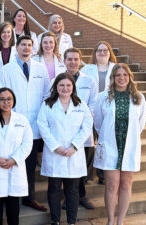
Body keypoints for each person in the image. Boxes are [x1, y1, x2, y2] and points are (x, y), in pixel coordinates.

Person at [0, 35, 50, 212]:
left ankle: (29, 197)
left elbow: (47, 95)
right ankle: (9, 198)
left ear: (33, 49)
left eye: (29, 45)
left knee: (30, 163)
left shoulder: (40, 69)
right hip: (12, 124)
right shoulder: (6, 69)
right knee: (11, 160)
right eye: (23, 45)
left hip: (34, 124)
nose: (26, 48)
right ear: (16, 47)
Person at [93, 63, 146, 225]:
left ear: (130, 77)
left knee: (126, 184)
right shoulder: (103, 96)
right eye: (118, 75)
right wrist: (108, 136)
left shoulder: (138, 97)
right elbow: (98, 122)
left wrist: (128, 135)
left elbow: (141, 122)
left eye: (125, 75)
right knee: (112, 185)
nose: (121, 78)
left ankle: (120, 221)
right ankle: (110, 220)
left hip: (129, 146)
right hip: (110, 145)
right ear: (113, 78)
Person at [37, 73, 93, 225]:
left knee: (72, 190)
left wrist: (75, 146)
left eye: (68, 85)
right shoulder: (47, 104)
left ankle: (71, 222)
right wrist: (55, 147)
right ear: (56, 86)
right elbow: (42, 125)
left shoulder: (80, 104)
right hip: (55, 153)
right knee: (54, 188)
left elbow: (87, 126)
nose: (65, 88)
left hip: (74, 153)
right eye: (61, 85)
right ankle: (55, 220)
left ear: (73, 87)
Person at [0, 88, 33, 225]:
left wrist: (14, 160)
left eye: (9, 99)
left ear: (13, 100)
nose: (6, 102)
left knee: (13, 207)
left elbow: (27, 144)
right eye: (2, 99)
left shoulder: (22, 120)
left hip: (14, 167)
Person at [62, 48, 98, 210]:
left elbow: (93, 105)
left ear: (80, 61)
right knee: (67, 167)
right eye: (69, 59)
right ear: (64, 61)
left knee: (83, 167)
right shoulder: (57, 80)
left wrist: (82, 120)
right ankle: (68, 198)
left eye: (76, 59)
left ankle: (81, 196)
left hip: (84, 131)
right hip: (65, 132)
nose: (73, 62)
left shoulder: (89, 81)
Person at [81, 41, 118, 184]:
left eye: (105, 50)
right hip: (91, 109)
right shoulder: (87, 68)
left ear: (110, 53)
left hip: (109, 111)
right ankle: (87, 175)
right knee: (89, 144)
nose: (102, 53)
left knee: (106, 143)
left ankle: (103, 175)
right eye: (99, 50)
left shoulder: (116, 68)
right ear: (95, 53)